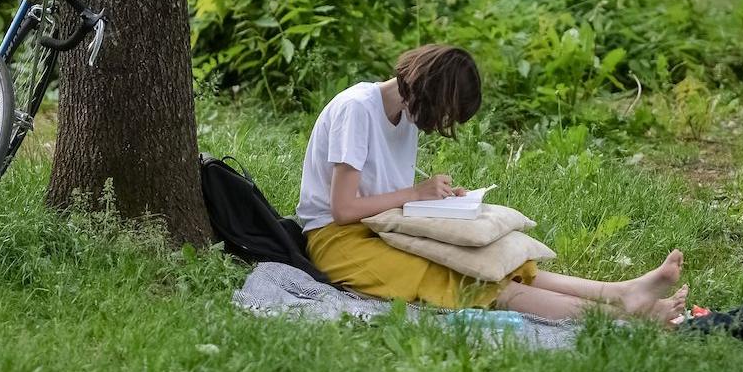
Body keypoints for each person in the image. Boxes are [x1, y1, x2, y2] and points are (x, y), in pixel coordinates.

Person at [295, 44, 689, 321]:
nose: (439, 124)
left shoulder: (403, 116)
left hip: (382, 229)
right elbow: (343, 210)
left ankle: (622, 292)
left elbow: (382, 197)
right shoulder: (356, 110)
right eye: (445, 112)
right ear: (428, 92)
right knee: (468, 282)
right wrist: (416, 194)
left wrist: (439, 201)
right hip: (337, 241)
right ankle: (624, 317)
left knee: (497, 259)